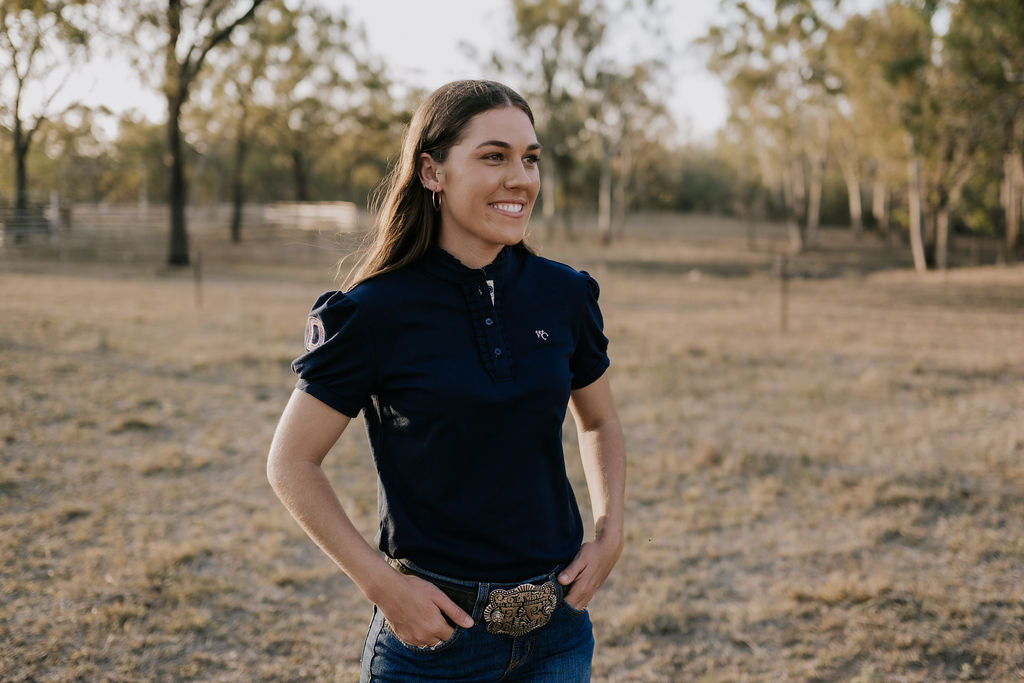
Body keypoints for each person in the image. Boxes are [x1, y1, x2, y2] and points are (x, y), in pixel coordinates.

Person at [267, 79, 625, 682]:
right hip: (433, 642)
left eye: (530, 159)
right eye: (494, 156)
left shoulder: (563, 295)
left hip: (559, 634)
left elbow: (599, 419)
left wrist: (611, 532)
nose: (521, 179)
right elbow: (291, 462)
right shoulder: (372, 311)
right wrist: (384, 587)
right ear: (432, 172)